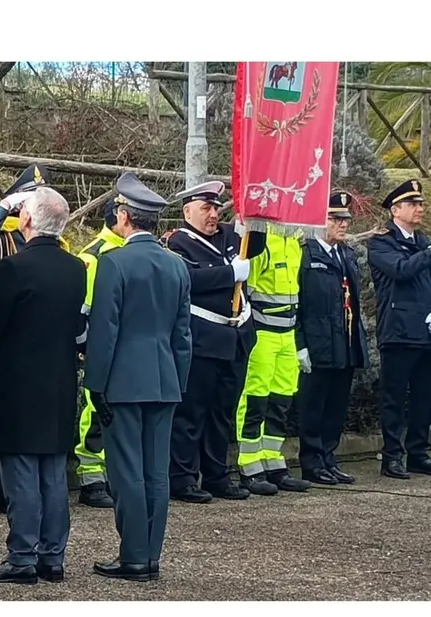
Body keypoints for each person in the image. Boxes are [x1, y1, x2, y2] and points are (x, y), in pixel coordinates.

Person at [0, 187, 86, 586]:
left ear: (27, 221)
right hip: (58, 382)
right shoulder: (77, 270)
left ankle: (22, 555)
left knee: (20, 475)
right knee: (53, 474)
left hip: (17, 384)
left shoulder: (15, 268)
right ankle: (52, 556)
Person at [84, 172, 191, 582]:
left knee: (126, 470)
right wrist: (178, 382)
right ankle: (151, 556)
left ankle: (132, 556)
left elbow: (105, 331)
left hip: (124, 382)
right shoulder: (177, 266)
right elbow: (183, 334)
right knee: (156, 472)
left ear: (125, 216)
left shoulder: (114, 262)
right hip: (164, 380)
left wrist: (96, 384)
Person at [164, 181, 265, 503]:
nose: (212, 214)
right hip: (203, 339)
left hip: (235, 338)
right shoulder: (177, 243)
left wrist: (254, 217)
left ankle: (217, 474)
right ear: (187, 211)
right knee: (191, 414)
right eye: (205, 208)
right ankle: (182, 478)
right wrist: (229, 274)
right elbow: (187, 280)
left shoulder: (229, 236)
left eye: (216, 208)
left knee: (223, 412)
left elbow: (254, 245)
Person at [0, 163, 50, 514]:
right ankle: (4, 491)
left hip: (38, 340)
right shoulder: (4, 238)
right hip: (6, 339)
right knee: (6, 418)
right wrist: (4, 207)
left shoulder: (50, 240)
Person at [232, 219, 312, 495]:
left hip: (287, 334)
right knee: (256, 398)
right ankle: (250, 466)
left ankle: (274, 462)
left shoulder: (295, 242)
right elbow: (245, 287)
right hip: (263, 332)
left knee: (281, 399)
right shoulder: (261, 240)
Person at [296, 191, 368, 485]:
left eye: (345, 219)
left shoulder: (346, 255)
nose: (342, 224)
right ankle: (312, 462)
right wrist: (299, 344)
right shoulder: (305, 254)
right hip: (317, 342)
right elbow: (297, 302)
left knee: (336, 405)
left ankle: (328, 457)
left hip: (345, 342)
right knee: (313, 406)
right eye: (335, 218)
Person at [366, 179, 431, 479]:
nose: (420, 209)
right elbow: (401, 270)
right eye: (413, 204)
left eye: (420, 203)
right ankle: (392, 456)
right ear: (396, 209)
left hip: (425, 331)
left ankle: (418, 452)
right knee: (393, 398)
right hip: (398, 332)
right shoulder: (382, 242)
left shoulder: (423, 242)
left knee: (423, 396)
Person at [71, 203, 126, 509]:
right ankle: (91, 478)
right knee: (95, 412)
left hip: (126, 346)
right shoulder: (94, 255)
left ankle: (111, 474)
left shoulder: (126, 249)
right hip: (102, 347)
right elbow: (85, 310)